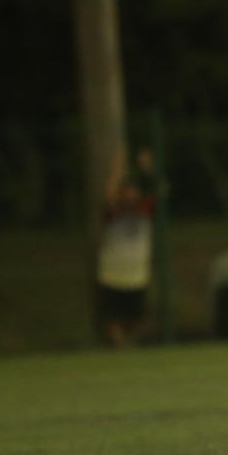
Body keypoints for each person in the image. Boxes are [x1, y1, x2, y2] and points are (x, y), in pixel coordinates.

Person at [96, 146, 157, 346]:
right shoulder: (115, 212)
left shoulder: (144, 210)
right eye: (126, 191)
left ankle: (127, 345)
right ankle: (120, 346)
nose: (130, 194)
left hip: (137, 275)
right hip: (112, 275)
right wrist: (117, 168)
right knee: (112, 317)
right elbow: (109, 196)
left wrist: (147, 168)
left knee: (136, 318)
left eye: (133, 191)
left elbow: (155, 188)